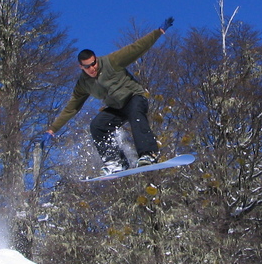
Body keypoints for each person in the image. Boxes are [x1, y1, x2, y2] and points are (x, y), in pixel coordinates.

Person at [47, 17, 173, 175]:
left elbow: (136, 48)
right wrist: (52, 129)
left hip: (134, 97)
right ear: (81, 67)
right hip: (117, 107)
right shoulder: (83, 84)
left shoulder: (111, 61)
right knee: (97, 126)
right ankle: (116, 162)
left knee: (136, 115)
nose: (92, 68)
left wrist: (158, 32)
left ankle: (148, 154)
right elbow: (72, 107)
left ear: (96, 59)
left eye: (94, 63)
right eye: (88, 66)